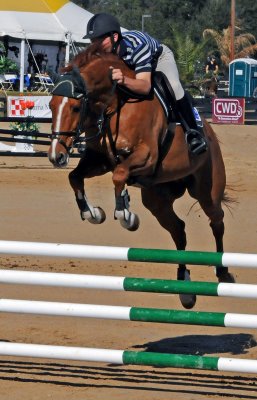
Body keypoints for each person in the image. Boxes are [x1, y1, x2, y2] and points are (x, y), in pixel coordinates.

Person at [84, 13, 207, 155]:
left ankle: (194, 134)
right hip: (134, 62)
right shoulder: (102, 52)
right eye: (92, 41)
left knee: (174, 86)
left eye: (98, 41)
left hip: (159, 59)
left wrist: (124, 80)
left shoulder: (137, 48)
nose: (94, 46)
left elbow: (145, 86)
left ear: (114, 37)